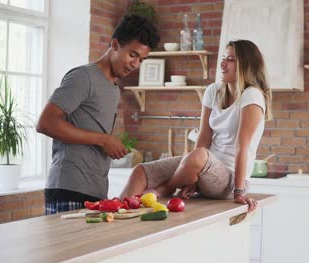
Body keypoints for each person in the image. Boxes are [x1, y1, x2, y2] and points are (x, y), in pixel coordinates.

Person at [120, 39, 272, 212]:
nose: (222, 64)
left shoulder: (252, 96)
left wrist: (239, 192)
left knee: (198, 155)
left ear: (246, 65)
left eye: (230, 59)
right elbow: (204, 137)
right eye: (223, 58)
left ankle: (166, 188)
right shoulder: (213, 91)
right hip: (204, 166)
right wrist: (192, 176)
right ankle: (117, 212)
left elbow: (241, 147)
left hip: (230, 179)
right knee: (140, 172)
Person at [36, 14, 160, 215]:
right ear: (115, 44)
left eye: (141, 60)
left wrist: (108, 144)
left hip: (95, 191)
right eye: (132, 55)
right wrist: (103, 140)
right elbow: (45, 123)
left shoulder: (113, 87)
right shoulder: (83, 76)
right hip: (69, 188)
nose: (135, 64)